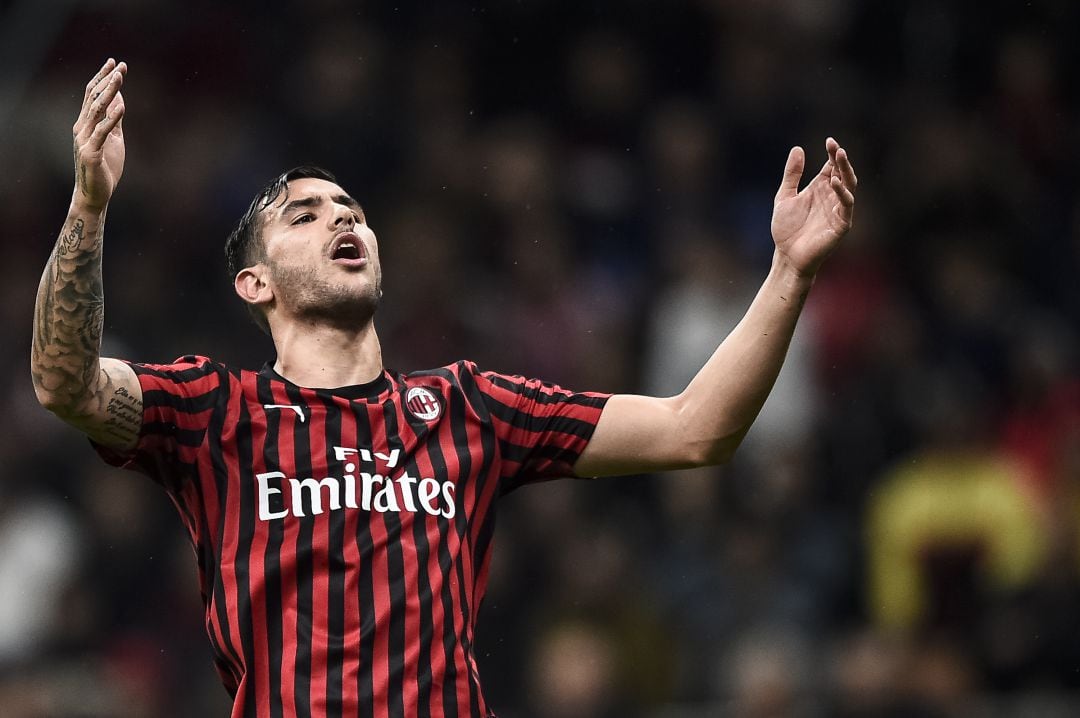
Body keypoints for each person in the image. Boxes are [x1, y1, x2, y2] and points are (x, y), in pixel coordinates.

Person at [31, 58, 857, 718]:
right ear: (254, 283)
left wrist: (788, 271)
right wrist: (90, 205)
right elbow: (63, 383)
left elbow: (695, 428)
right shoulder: (216, 411)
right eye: (306, 214)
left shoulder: (467, 407)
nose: (343, 219)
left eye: (351, 208)